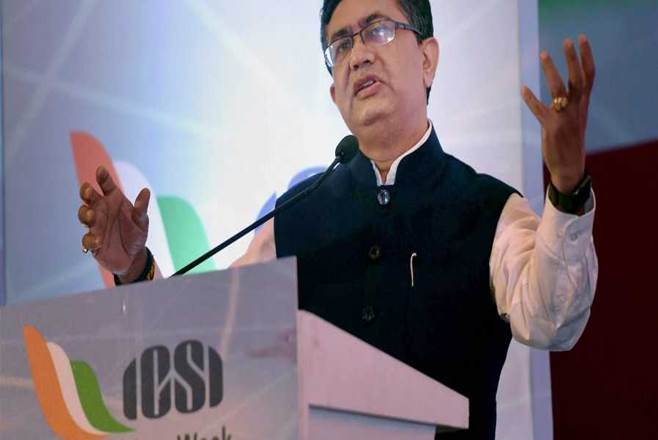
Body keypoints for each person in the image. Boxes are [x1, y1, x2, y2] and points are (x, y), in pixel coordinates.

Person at [77, 0, 597, 438]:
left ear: (427, 60)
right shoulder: (293, 219)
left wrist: (568, 188)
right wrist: (134, 269)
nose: (358, 54)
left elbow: (552, 319)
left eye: (378, 29)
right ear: (334, 95)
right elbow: (207, 350)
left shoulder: (489, 208)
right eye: (341, 44)